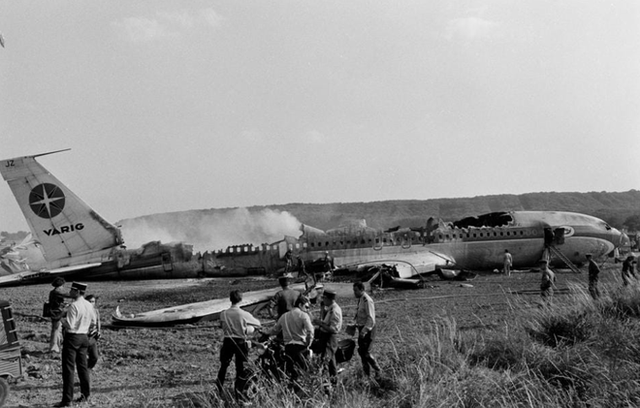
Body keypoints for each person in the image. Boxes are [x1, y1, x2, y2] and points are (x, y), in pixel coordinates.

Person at [55, 282, 96, 407]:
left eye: (72, 290)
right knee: (83, 367)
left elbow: (70, 324)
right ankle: (85, 395)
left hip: (73, 337)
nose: (70, 292)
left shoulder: (74, 306)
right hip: (84, 337)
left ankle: (67, 400)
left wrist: (61, 318)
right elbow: (93, 322)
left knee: (68, 369)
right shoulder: (89, 305)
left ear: (77, 292)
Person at [216, 290, 261, 400]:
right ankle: (238, 392)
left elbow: (221, 325)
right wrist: (248, 328)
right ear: (241, 300)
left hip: (228, 341)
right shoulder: (243, 314)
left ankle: (218, 390)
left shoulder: (224, 313)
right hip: (240, 342)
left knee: (223, 366)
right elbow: (258, 324)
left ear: (230, 299)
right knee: (240, 368)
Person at [266, 295, 314, 388]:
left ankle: (290, 390)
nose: (307, 309)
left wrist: (265, 331)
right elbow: (310, 331)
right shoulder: (303, 315)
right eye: (306, 307)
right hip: (301, 346)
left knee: (291, 371)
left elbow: (275, 330)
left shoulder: (284, 316)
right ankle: (300, 392)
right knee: (302, 372)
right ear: (300, 305)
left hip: (288, 347)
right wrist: (309, 343)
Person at [312, 288, 342, 386]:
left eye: (324, 298)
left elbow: (333, 329)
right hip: (324, 335)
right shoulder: (329, 308)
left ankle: (333, 383)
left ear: (329, 299)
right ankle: (327, 381)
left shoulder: (335, 311)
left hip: (330, 337)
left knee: (329, 360)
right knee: (325, 359)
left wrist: (320, 323)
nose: (323, 300)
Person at [352, 281, 381, 379]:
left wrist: (364, 331)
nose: (354, 293)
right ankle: (367, 375)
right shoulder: (361, 299)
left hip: (368, 329)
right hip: (362, 328)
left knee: (366, 352)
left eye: (356, 290)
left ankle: (377, 370)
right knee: (361, 352)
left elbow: (371, 318)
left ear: (361, 290)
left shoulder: (367, 300)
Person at [48, 277, 73, 354]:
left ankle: (56, 347)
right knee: (56, 330)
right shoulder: (57, 291)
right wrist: (75, 293)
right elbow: (67, 295)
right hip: (57, 313)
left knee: (57, 330)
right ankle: (54, 348)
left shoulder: (53, 292)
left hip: (55, 312)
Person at [85, 295, 101, 369]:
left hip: (92, 336)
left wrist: (99, 330)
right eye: (89, 301)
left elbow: (98, 321)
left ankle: (88, 368)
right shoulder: (83, 311)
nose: (91, 303)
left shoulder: (95, 311)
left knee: (94, 356)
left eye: (93, 302)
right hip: (84, 335)